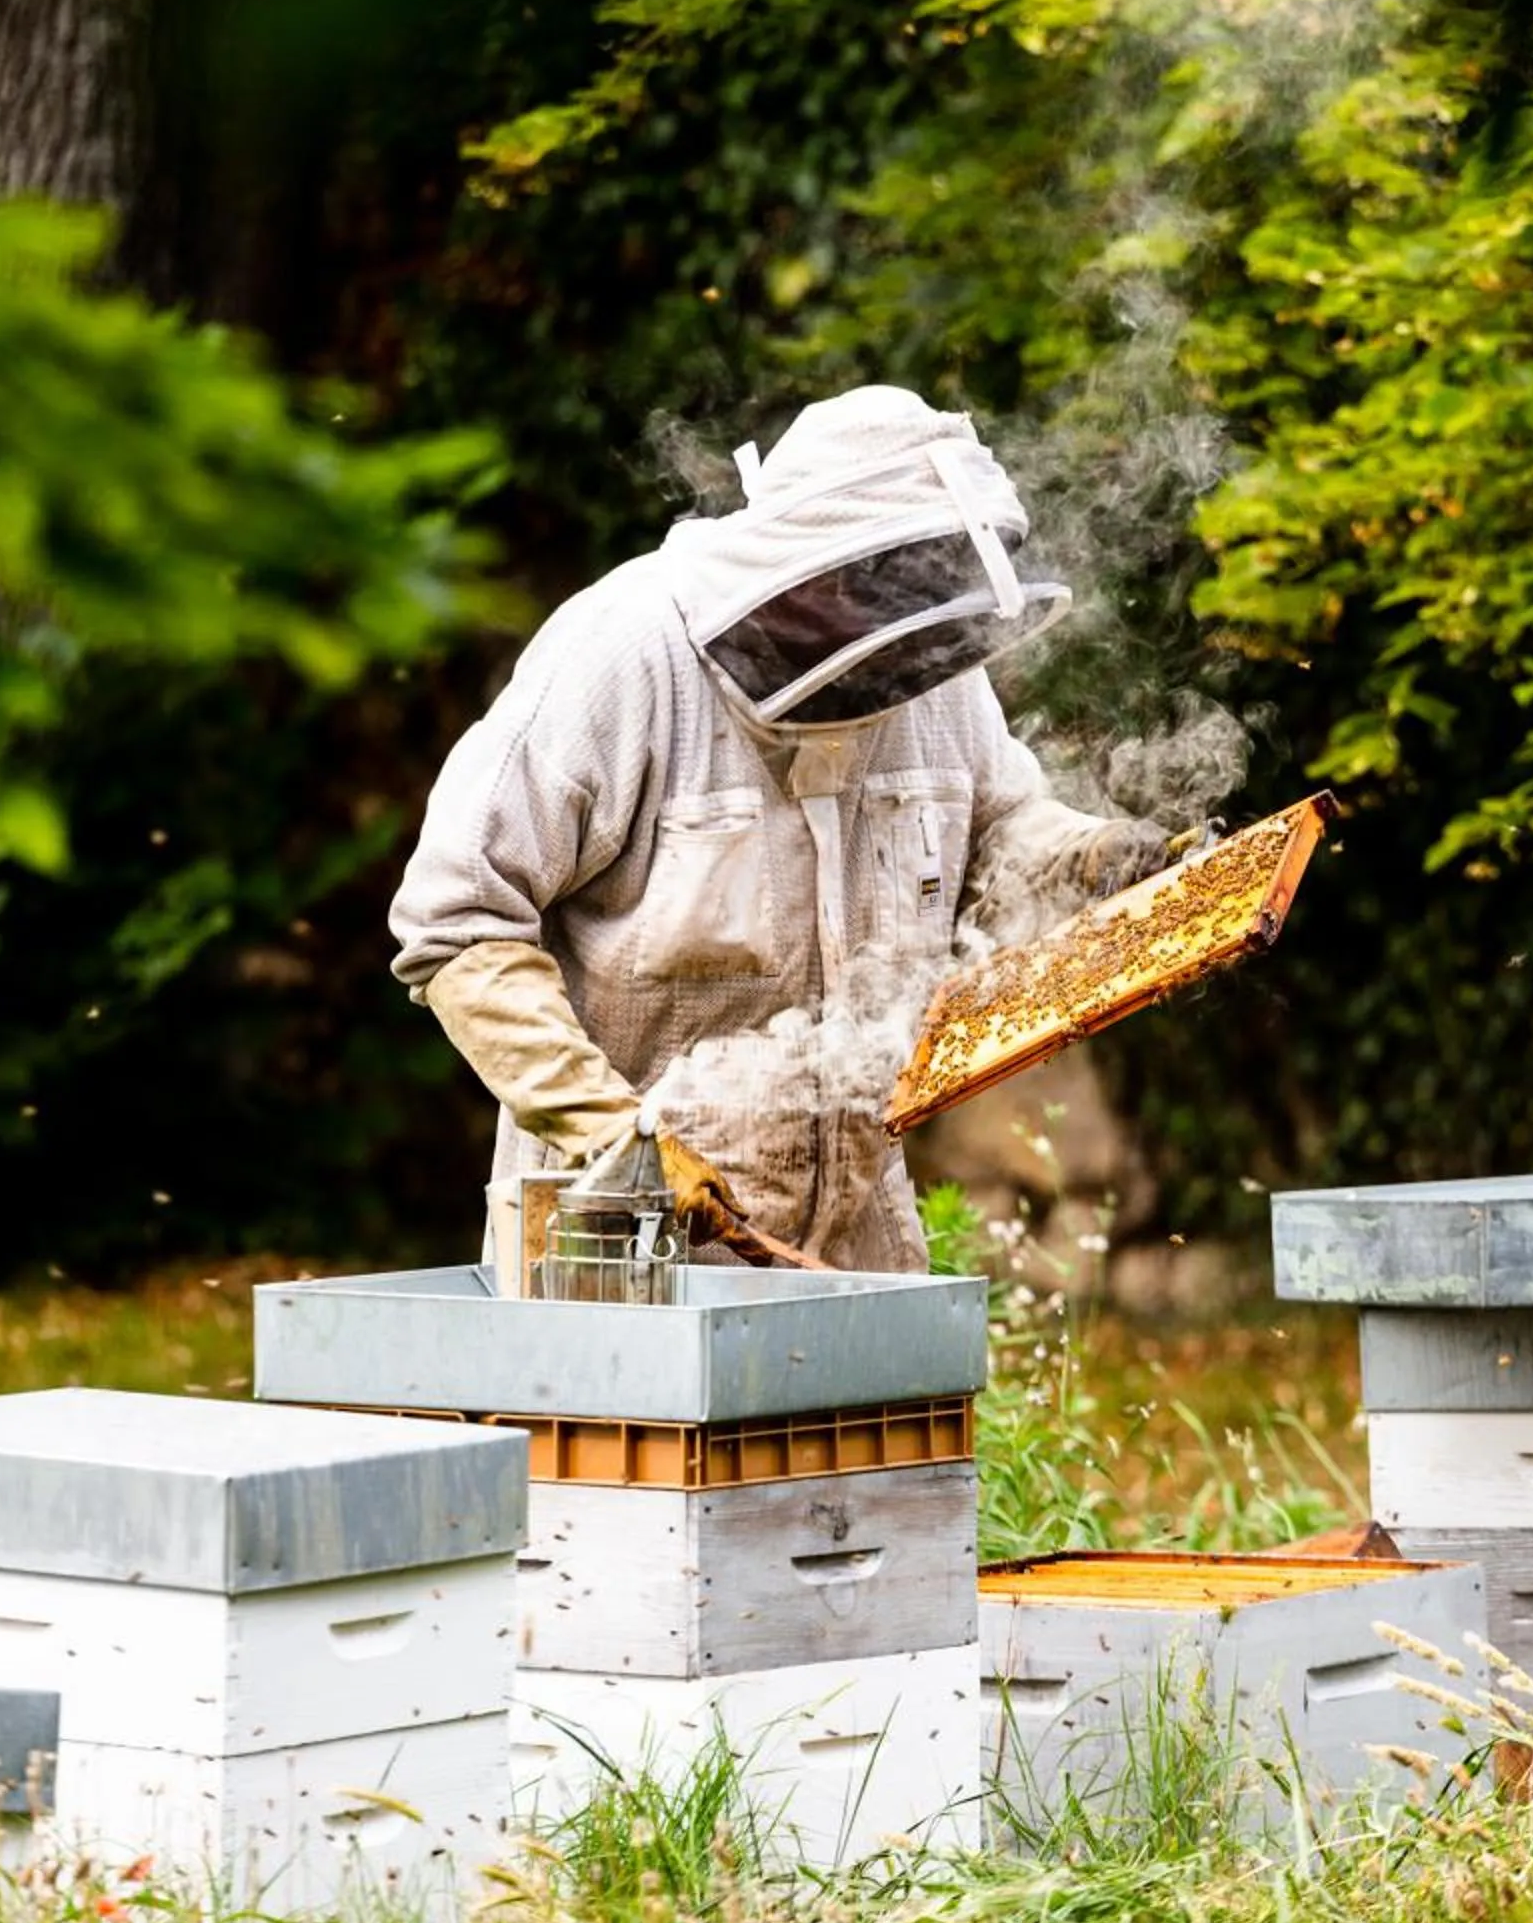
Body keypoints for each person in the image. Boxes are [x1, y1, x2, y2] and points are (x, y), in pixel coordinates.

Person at [388, 385, 1172, 1272]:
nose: (911, 640)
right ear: (820, 568)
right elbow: (456, 927)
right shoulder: (623, 654)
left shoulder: (930, 667)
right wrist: (615, 1140)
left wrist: (1096, 860)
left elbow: (997, 832)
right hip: (621, 1237)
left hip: (858, 1227)